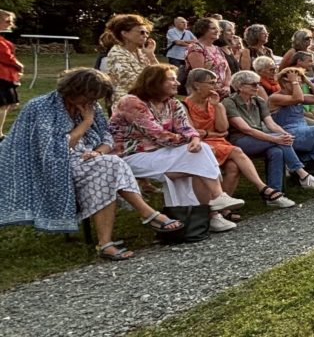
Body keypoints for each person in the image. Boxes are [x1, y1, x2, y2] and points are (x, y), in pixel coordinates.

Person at [0, 68, 186, 260]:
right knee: (110, 166)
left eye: (95, 98)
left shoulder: (91, 105)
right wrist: (86, 123)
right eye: (89, 97)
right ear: (73, 90)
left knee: (107, 167)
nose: (91, 102)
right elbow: (53, 149)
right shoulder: (41, 107)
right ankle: (147, 217)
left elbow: (108, 137)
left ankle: (107, 243)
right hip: (53, 165)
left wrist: (98, 152)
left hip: (89, 159)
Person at [108, 65, 245, 233]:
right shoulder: (131, 102)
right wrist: (190, 139)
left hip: (161, 152)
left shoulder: (172, 103)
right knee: (197, 157)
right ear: (155, 82)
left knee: (200, 150)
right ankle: (213, 210)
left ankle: (213, 206)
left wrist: (194, 137)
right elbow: (158, 134)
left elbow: (186, 127)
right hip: (132, 155)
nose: (177, 82)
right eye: (171, 79)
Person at [184, 68, 294, 209]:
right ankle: (265, 188)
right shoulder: (184, 105)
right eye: (211, 83)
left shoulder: (217, 103)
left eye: (216, 83)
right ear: (196, 85)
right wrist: (213, 134)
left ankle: (220, 208)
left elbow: (222, 128)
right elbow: (192, 132)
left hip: (219, 142)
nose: (215, 87)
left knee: (235, 167)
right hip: (201, 144)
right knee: (238, 150)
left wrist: (217, 106)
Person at [224, 69, 314, 196]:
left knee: (277, 151)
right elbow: (246, 129)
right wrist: (276, 139)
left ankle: (275, 194)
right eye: (254, 84)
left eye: (258, 84)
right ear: (240, 86)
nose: (258, 87)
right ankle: (302, 175)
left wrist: (285, 134)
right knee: (280, 142)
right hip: (240, 140)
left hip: (261, 138)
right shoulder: (229, 102)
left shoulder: (259, 101)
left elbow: (271, 124)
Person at [103, 14, 159, 106]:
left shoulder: (142, 53)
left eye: (147, 33)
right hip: (127, 105)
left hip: (147, 102)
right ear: (124, 33)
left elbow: (161, 75)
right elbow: (131, 82)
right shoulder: (116, 54)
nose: (145, 36)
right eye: (141, 32)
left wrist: (151, 55)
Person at [184, 18, 231, 96]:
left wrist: (226, 86)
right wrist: (216, 88)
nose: (217, 31)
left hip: (222, 93)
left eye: (217, 28)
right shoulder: (196, 48)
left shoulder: (217, 49)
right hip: (204, 93)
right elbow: (201, 75)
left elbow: (228, 71)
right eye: (213, 28)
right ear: (203, 30)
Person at [0, 10, 21, 136]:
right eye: (7, 21)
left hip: (5, 76)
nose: (10, 24)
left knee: (7, 105)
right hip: (1, 77)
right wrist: (19, 65)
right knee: (2, 104)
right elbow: (5, 56)